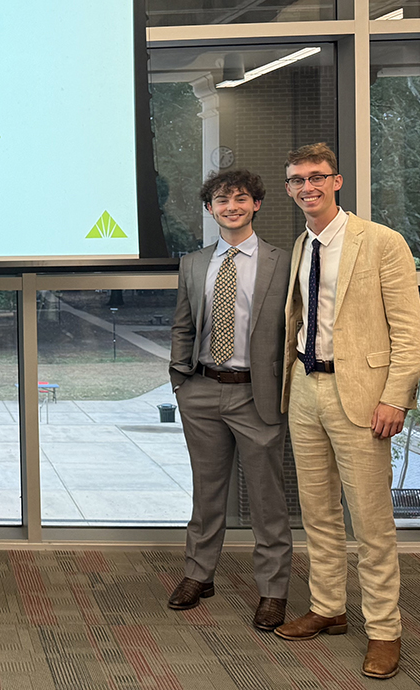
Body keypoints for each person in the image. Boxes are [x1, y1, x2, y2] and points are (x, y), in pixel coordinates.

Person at [274, 143, 420, 680]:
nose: (306, 187)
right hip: (306, 390)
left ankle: (385, 630)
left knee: (373, 522)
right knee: (317, 513)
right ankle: (328, 607)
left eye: (316, 177)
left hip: (363, 397)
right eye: (296, 180)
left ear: (337, 181)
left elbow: (409, 329)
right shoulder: (300, 244)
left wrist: (395, 397)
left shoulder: (381, 241)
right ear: (289, 189)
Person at [166, 169, 293, 631]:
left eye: (241, 199)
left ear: (256, 204)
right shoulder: (195, 263)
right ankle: (199, 575)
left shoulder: (283, 261)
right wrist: (181, 379)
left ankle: (273, 591)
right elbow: (183, 325)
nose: (231, 206)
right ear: (210, 208)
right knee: (207, 492)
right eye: (222, 200)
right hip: (201, 391)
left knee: (267, 499)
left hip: (256, 395)